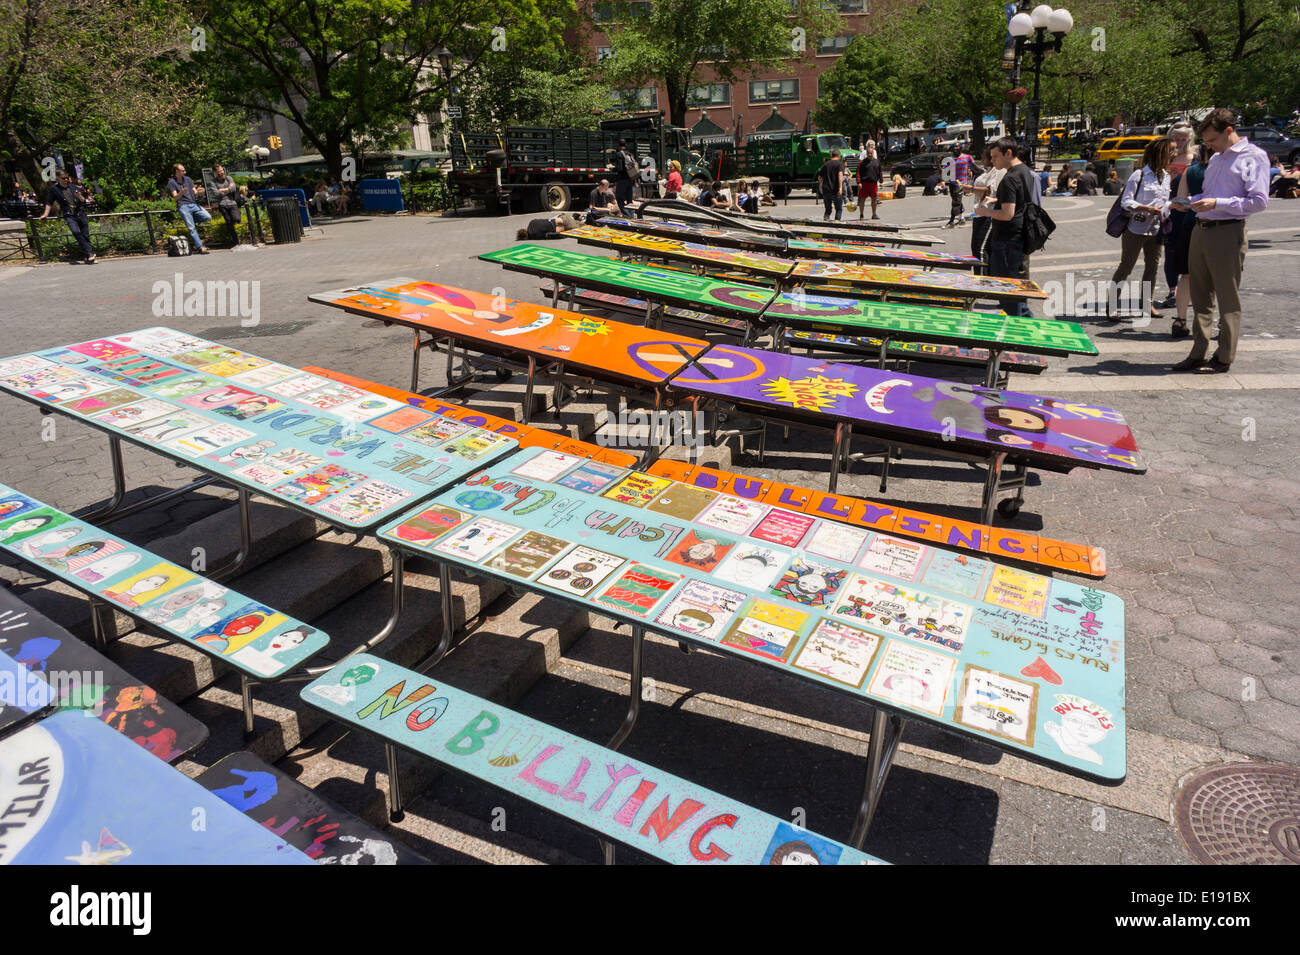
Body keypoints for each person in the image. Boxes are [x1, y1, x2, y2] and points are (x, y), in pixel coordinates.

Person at [1171, 108, 1270, 373]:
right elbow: (1209, 193)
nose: (1210, 146)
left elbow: (1258, 201)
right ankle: (1198, 351)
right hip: (1201, 229)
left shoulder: (1254, 157)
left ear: (1229, 131)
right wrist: (1188, 202)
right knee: (1201, 296)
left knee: (1227, 297)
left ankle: (1224, 356)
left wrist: (1217, 202)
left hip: (1227, 231)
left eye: (1213, 140)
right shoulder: (1217, 158)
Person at [1109, 137, 1172, 320]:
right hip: (1135, 228)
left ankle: (1147, 304)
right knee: (1126, 266)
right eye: (1169, 152)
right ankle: (1112, 304)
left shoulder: (1167, 177)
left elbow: (1164, 200)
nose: (1172, 155)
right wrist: (1147, 208)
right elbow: (1126, 201)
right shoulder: (1139, 175)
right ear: (1160, 154)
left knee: (1152, 267)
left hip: (1156, 228)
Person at [974, 136, 1036, 316]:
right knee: (1017, 293)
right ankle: (1027, 330)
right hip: (1019, 237)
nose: (992, 162)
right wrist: (997, 199)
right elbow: (1018, 200)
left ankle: (1019, 337)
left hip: (1007, 241)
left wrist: (985, 212)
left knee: (1009, 295)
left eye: (995, 157)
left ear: (1008, 153)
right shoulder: (1024, 171)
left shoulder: (1009, 178)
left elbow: (1007, 214)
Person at [1166, 144, 1212, 338]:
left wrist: (1187, 205)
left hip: (1189, 223)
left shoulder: (1190, 171)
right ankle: (1215, 324)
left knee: (1186, 275)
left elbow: (1180, 201)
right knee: (1214, 276)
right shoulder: (1218, 170)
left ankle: (1180, 319)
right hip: (1213, 224)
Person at [37, 168, 96, 263]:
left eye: (67, 177)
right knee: (75, 232)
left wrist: (80, 196)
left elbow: (84, 201)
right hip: (69, 215)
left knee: (85, 235)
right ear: (58, 178)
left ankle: (89, 257)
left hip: (80, 213)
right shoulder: (54, 189)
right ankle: (89, 252)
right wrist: (45, 214)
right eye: (63, 178)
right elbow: (49, 203)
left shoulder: (73, 187)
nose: (66, 180)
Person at [970, 147, 1005, 268]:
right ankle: (979, 278)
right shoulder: (988, 171)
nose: (983, 160)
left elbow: (989, 190)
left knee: (981, 249)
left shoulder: (997, 171)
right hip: (979, 213)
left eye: (985, 158)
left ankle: (983, 281)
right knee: (975, 248)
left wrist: (970, 189)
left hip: (987, 214)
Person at [166, 163, 211, 254]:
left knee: (207, 217)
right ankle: (200, 247)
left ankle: (190, 220)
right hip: (183, 206)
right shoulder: (172, 182)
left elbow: (195, 192)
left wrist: (200, 192)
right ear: (177, 172)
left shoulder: (188, 179)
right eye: (183, 171)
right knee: (191, 228)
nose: (185, 172)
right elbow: (175, 197)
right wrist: (181, 193)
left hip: (193, 204)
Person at [210, 164, 241, 244]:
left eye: (222, 170)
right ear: (215, 172)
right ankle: (235, 241)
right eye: (219, 171)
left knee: (237, 219)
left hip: (232, 202)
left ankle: (237, 233)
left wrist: (223, 190)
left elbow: (234, 188)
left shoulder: (229, 178)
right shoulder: (213, 182)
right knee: (229, 222)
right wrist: (228, 189)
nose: (222, 172)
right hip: (222, 204)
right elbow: (216, 193)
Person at [945, 147, 971, 227]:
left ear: (961, 149)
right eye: (954, 148)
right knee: (957, 201)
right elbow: (945, 171)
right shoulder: (950, 159)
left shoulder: (967, 157)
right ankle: (962, 219)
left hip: (960, 183)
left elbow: (973, 167)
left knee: (955, 202)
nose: (955, 149)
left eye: (957, 147)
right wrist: (938, 162)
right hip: (952, 182)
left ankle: (951, 221)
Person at [856, 141, 883, 219]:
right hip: (864, 184)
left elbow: (880, 172)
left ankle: (874, 214)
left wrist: (881, 181)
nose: (870, 155)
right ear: (866, 153)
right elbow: (858, 173)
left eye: (871, 153)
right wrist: (859, 182)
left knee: (874, 200)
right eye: (869, 154)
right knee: (862, 200)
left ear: (873, 153)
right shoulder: (862, 163)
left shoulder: (877, 162)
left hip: (873, 184)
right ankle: (861, 214)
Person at [818, 149, 845, 220]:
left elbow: (820, 177)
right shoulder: (840, 164)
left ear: (831, 155)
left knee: (828, 208)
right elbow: (840, 175)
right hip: (835, 190)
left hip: (826, 189)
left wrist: (822, 183)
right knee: (839, 208)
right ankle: (837, 222)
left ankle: (826, 218)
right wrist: (840, 187)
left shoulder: (826, 164)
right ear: (839, 156)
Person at [613, 139, 637, 214]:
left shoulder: (619, 154)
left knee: (619, 198)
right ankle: (631, 214)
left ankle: (626, 214)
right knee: (629, 199)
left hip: (622, 180)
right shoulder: (630, 154)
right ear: (625, 145)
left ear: (618, 145)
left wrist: (612, 168)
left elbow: (620, 168)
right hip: (630, 179)